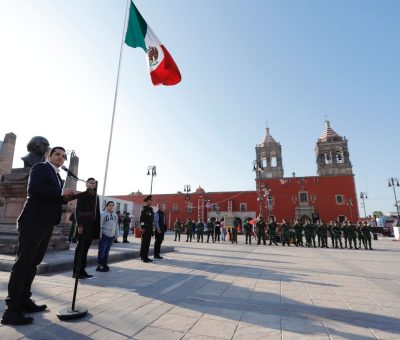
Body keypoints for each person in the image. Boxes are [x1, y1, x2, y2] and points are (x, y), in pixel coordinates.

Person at [2, 146, 75, 325]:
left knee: (33, 263)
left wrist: (68, 197)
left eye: (63, 156)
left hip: (46, 222)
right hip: (33, 220)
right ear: (48, 155)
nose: (61, 158)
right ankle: (11, 310)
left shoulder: (57, 175)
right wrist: (60, 193)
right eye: (57, 154)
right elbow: (34, 190)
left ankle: (25, 300)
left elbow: (52, 197)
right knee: (23, 263)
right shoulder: (41, 168)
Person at [73, 178, 100, 279]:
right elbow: (78, 212)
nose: (92, 184)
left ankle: (82, 270)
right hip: (83, 227)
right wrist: (80, 225)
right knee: (80, 250)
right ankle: (76, 271)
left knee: (85, 251)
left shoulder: (96, 197)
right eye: (90, 183)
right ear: (86, 184)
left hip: (91, 228)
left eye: (94, 183)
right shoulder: (82, 195)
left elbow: (97, 214)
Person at [96, 201, 118, 272]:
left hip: (111, 236)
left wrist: (116, 234)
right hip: (104, 235)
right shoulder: (103, 214)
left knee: (107, 251)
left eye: (112, 205)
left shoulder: (115, 215)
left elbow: (116, 225)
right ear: (107, 206)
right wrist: (100, 234)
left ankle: (104, 264)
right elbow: (100, 225)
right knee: (102, 251)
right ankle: (100, 265)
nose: (111, 207)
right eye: (110, 205)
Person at [140, 195, 154, 262]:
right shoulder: (144, 209)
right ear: (146, 201)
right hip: (145, 228)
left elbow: (151, 220)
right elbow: (142, 219)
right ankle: (143, 257)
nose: (151, 201)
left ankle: (146, 256)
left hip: (150, 228)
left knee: (148, 243)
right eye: (150, 200)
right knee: (144, 243)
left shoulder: (151, 209)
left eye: (151, 200)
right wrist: (142, 228)